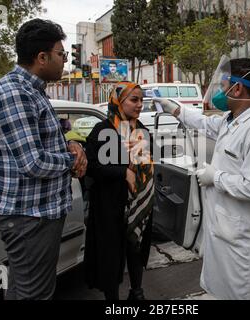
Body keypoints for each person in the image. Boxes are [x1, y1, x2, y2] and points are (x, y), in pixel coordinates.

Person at [154, 58, 250, 300]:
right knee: (221, 292)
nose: (221, 93)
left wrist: (216, 177)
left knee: (242, 295)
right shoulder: (230, 120)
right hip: (225, 233)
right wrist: (175, 109)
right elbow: (203, 122)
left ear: (238, 89)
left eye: (224, 87)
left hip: (244, 240)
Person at [0, 19, 87, 300]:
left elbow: (47, 135)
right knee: (36, 294)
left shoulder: (32, 91)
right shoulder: (14, 93)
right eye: (61, 55)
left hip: (36, 213)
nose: (65, 61)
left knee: (22, 289)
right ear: (42, 57)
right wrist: (73, 160)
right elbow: (34, 163)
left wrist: (72, 143)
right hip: (29, 216)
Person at [84, 82, 154, 300]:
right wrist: (123, 173)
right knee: (110, 255)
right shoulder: (102, 130)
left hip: (135, 202)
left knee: (135, 247)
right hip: (108, 205)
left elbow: (145, 164)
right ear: (118, 101)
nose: (140, 105)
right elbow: (92, 166)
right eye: (134, 100)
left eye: (141, 100)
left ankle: (137, 292)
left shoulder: (140, 129)